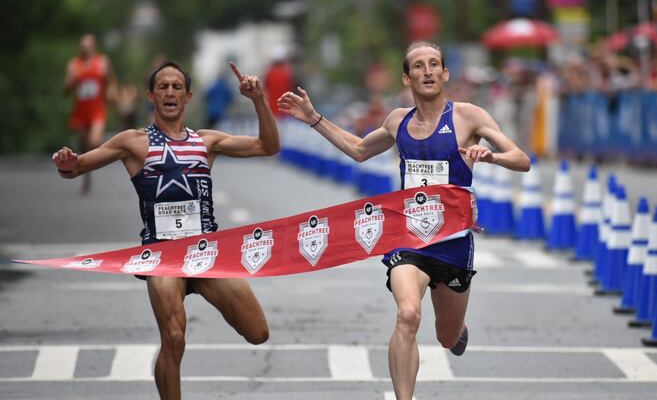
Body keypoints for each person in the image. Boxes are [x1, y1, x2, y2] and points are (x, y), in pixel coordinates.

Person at [278, 41, 531, 399]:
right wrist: (315, 119)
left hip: (453, 245)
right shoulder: (398, 121)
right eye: (418, 66)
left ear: (445, 74)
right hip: (407, 239)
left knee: (446, 337)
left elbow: (521, 159)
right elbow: (360, 150)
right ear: (406, 77)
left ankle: (456, 332)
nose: (426, 71)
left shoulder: (468, 116)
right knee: (408, 315)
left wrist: (490, 156)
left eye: (433, 65)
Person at [52, 61, 279, 399]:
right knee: (173, 338)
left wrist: (259, 100)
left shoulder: (207, 141)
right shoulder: (133, 142)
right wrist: (68, 163)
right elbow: (78, 166)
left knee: (258, 331)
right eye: (163, 87)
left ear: (187, 96)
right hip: (162, 255)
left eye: (176, 87)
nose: (170, 92)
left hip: (205, 252)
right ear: (151, 96)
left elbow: (268, 146)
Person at [63, 33, 117, 194]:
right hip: (80, 111)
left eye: (88, 45)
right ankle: (86, 176)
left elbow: (111, 80)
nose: (85, 48)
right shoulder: (74, 65)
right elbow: (66, 91)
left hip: (97, 110)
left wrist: (112, 91)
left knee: (93, 141)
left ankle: (91, 162)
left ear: (94, 46)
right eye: (83, 46)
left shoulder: (102, 62)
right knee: (82, 145)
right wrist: (70, 81)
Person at [264, 46, 295, 118]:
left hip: (273, 109)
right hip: (286, 109)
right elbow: (292, 88)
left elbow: (265, 88)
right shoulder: (287, 73)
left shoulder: (269, 73)